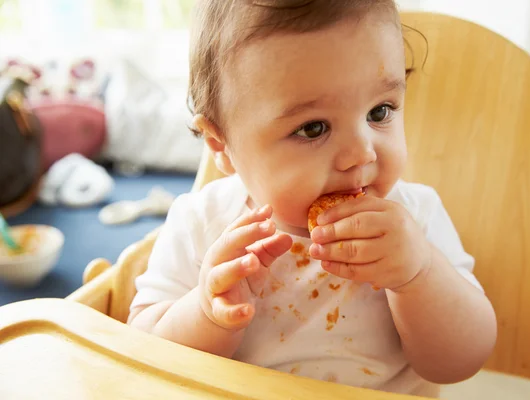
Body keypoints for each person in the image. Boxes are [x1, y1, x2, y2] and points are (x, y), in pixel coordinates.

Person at [128, 1, 497, 396]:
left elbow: (462, 361)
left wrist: (419, 276)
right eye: (312, 128)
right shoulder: (203, 223)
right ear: (221, 145)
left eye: (379, 111)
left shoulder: (416, 220)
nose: (362, 153)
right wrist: (207, 312)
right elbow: (143, 355)